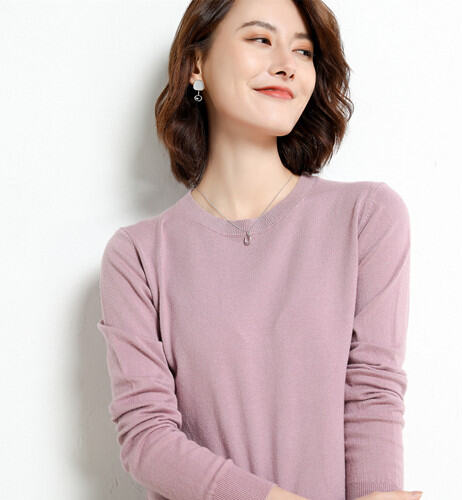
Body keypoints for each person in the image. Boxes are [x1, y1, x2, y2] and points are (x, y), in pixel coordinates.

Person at [97, 1, 422, 499]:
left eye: (304, 51)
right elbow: (147, 439)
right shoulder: (138, 256)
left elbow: (372, 393)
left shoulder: (366, 217)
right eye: (260, 39)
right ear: (197, 64)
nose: (287, 64)